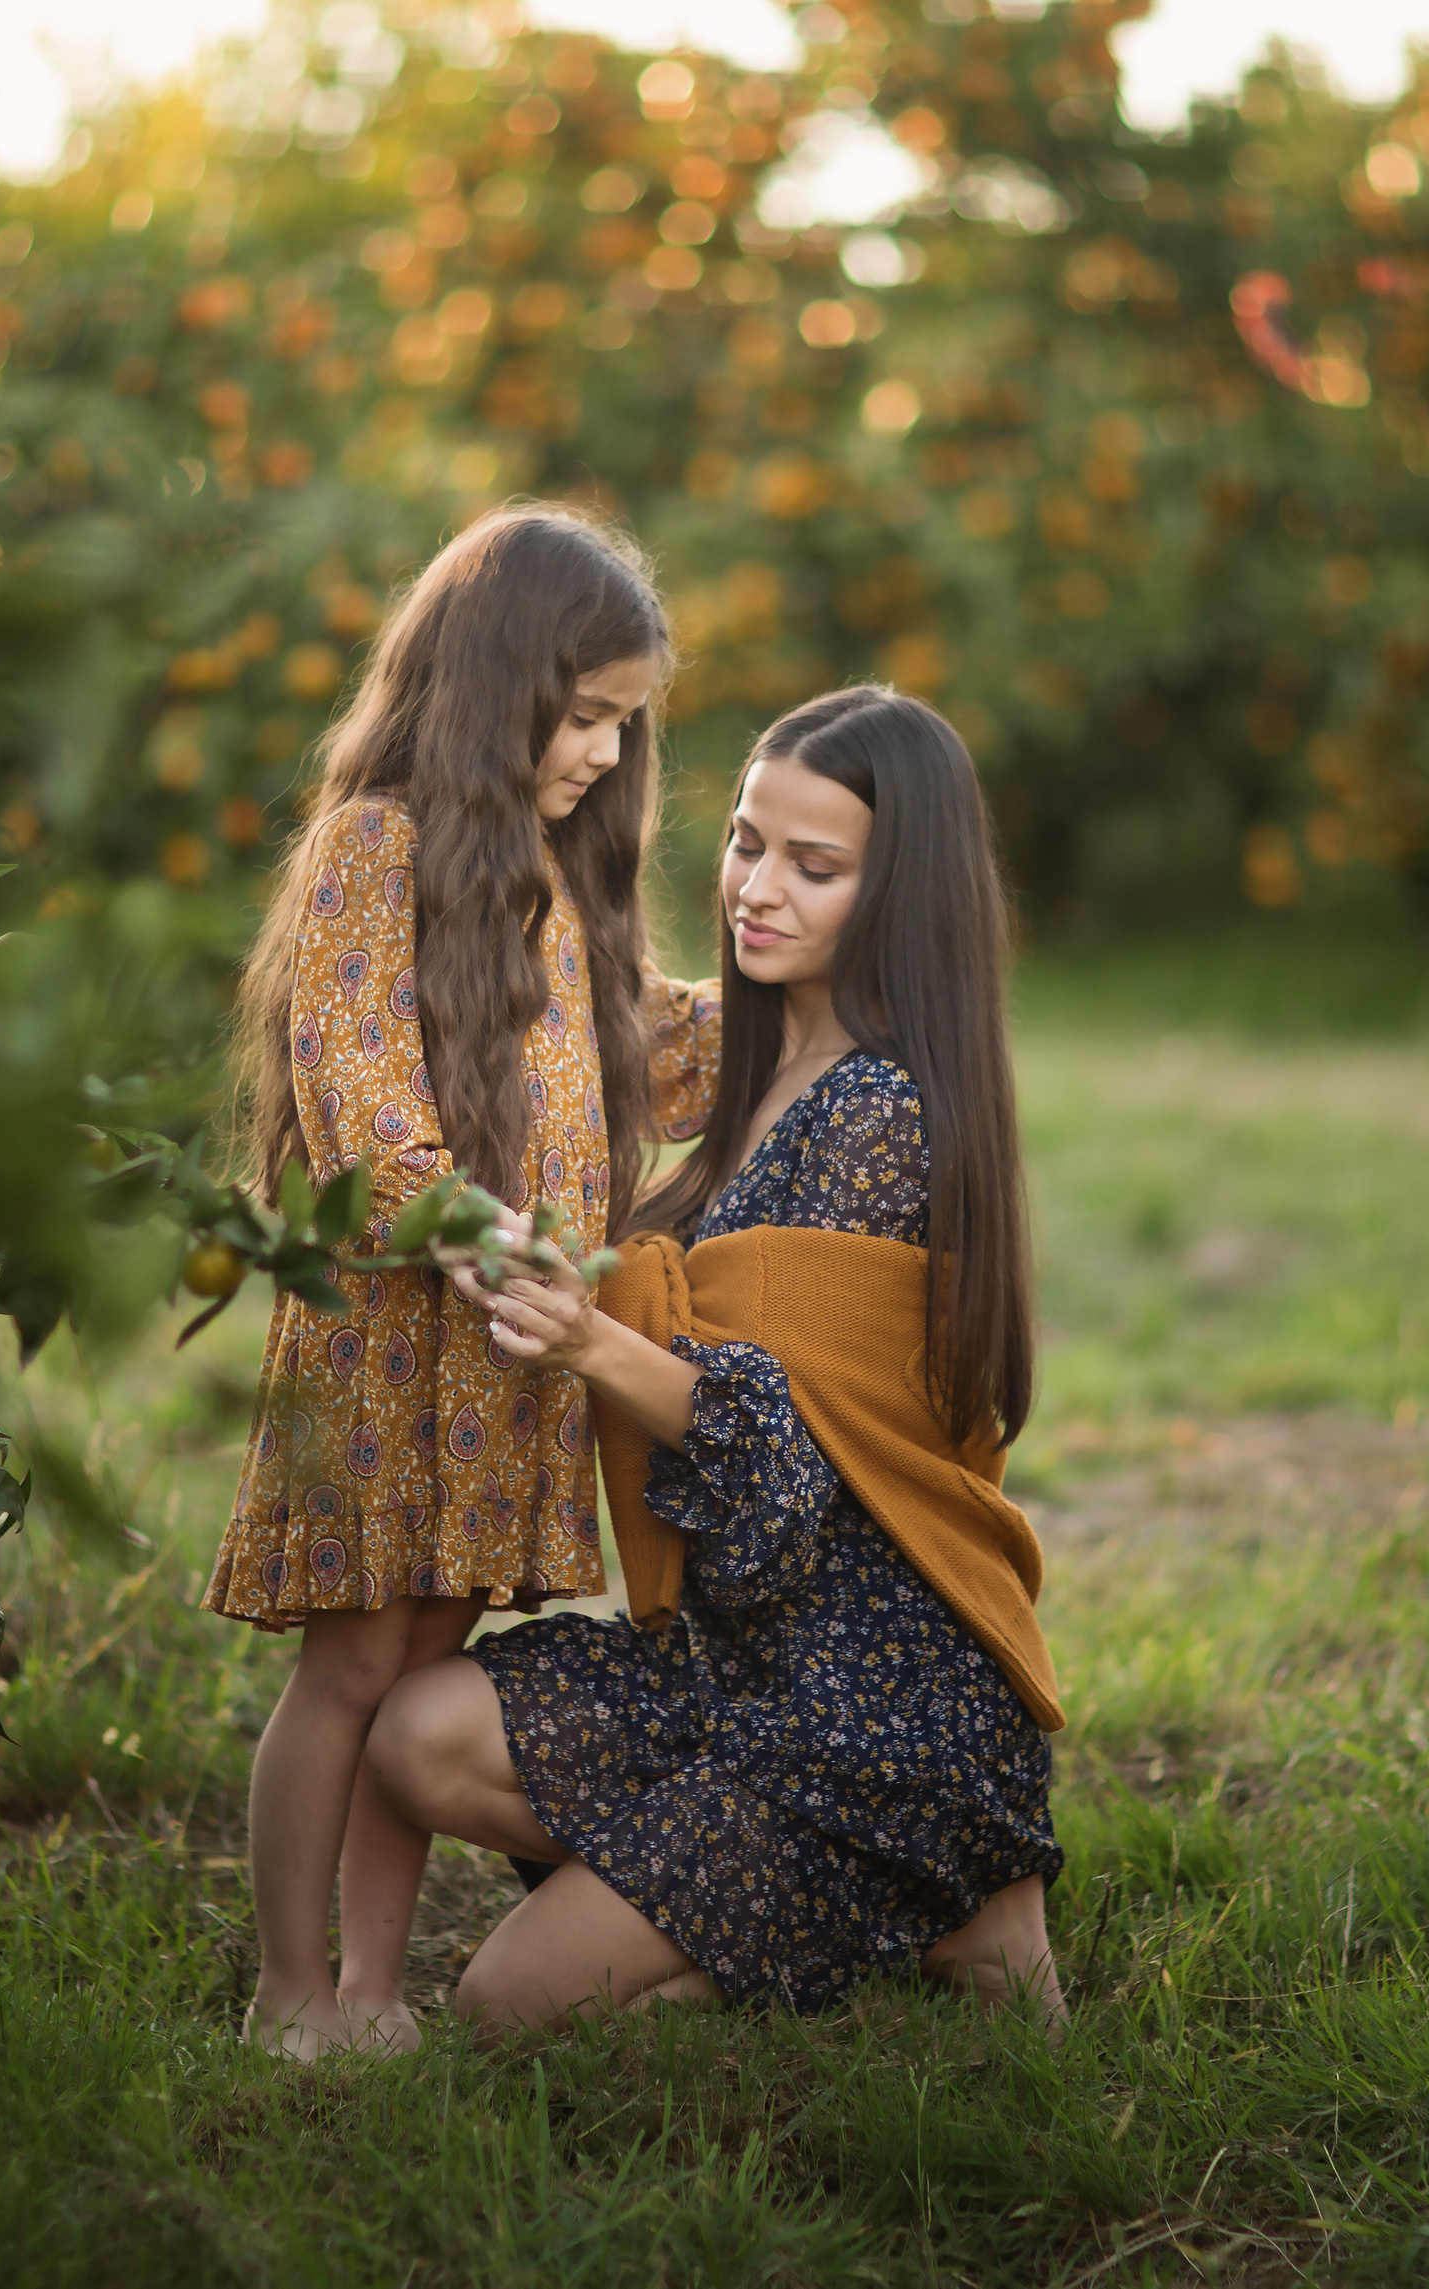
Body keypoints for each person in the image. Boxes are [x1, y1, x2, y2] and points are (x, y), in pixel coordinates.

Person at [367, 684, 1068, 2034]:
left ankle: (931, 1902)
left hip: (870, 1706)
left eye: (816, 867)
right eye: (749, 843)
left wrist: (592, 1343)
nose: (757, 887)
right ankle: (869, 1912)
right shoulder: (747, 1079)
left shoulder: (878, 1114)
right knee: (415, 1733)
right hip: (728, 1665)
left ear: (899, 894)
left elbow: (783, 1471)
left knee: (503, 2003)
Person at [206, 506, 720, 2057]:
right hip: (393, 1337)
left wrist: (811, 991)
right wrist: (470, 1224)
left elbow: (655, 1044)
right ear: (499, 693)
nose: (603, 757)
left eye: (624, 729)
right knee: (352, 1662)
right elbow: (361, 1080)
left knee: (426, 1662)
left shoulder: (559, 881)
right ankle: (288, 1989)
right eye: (582, 721)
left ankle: (373, 1989)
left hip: (497, 1352)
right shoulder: (376, 847)